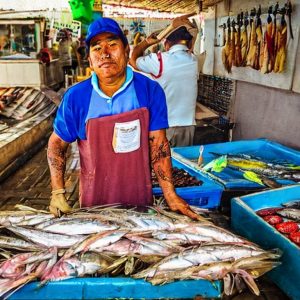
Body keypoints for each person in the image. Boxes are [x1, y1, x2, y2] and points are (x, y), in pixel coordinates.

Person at [47, 17, 198, 220]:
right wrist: (57, 192)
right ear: (90, 60)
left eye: (112, 44)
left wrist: (170, 194)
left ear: (126, 50)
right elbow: (57, 143)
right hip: (94, 203)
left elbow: (159, 145)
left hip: (139, 201)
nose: (105, 54)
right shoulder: (76, 97)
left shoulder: (149, 90)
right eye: (97, 48)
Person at [129, 15, 199, 147]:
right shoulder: (193, 61)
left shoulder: (159, 60)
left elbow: (133, 60)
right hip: (188, 125)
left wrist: (147, 42)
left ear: (167, 44)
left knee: (164, 165)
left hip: (166, 126)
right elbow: (190, 45)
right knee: (183, 165)